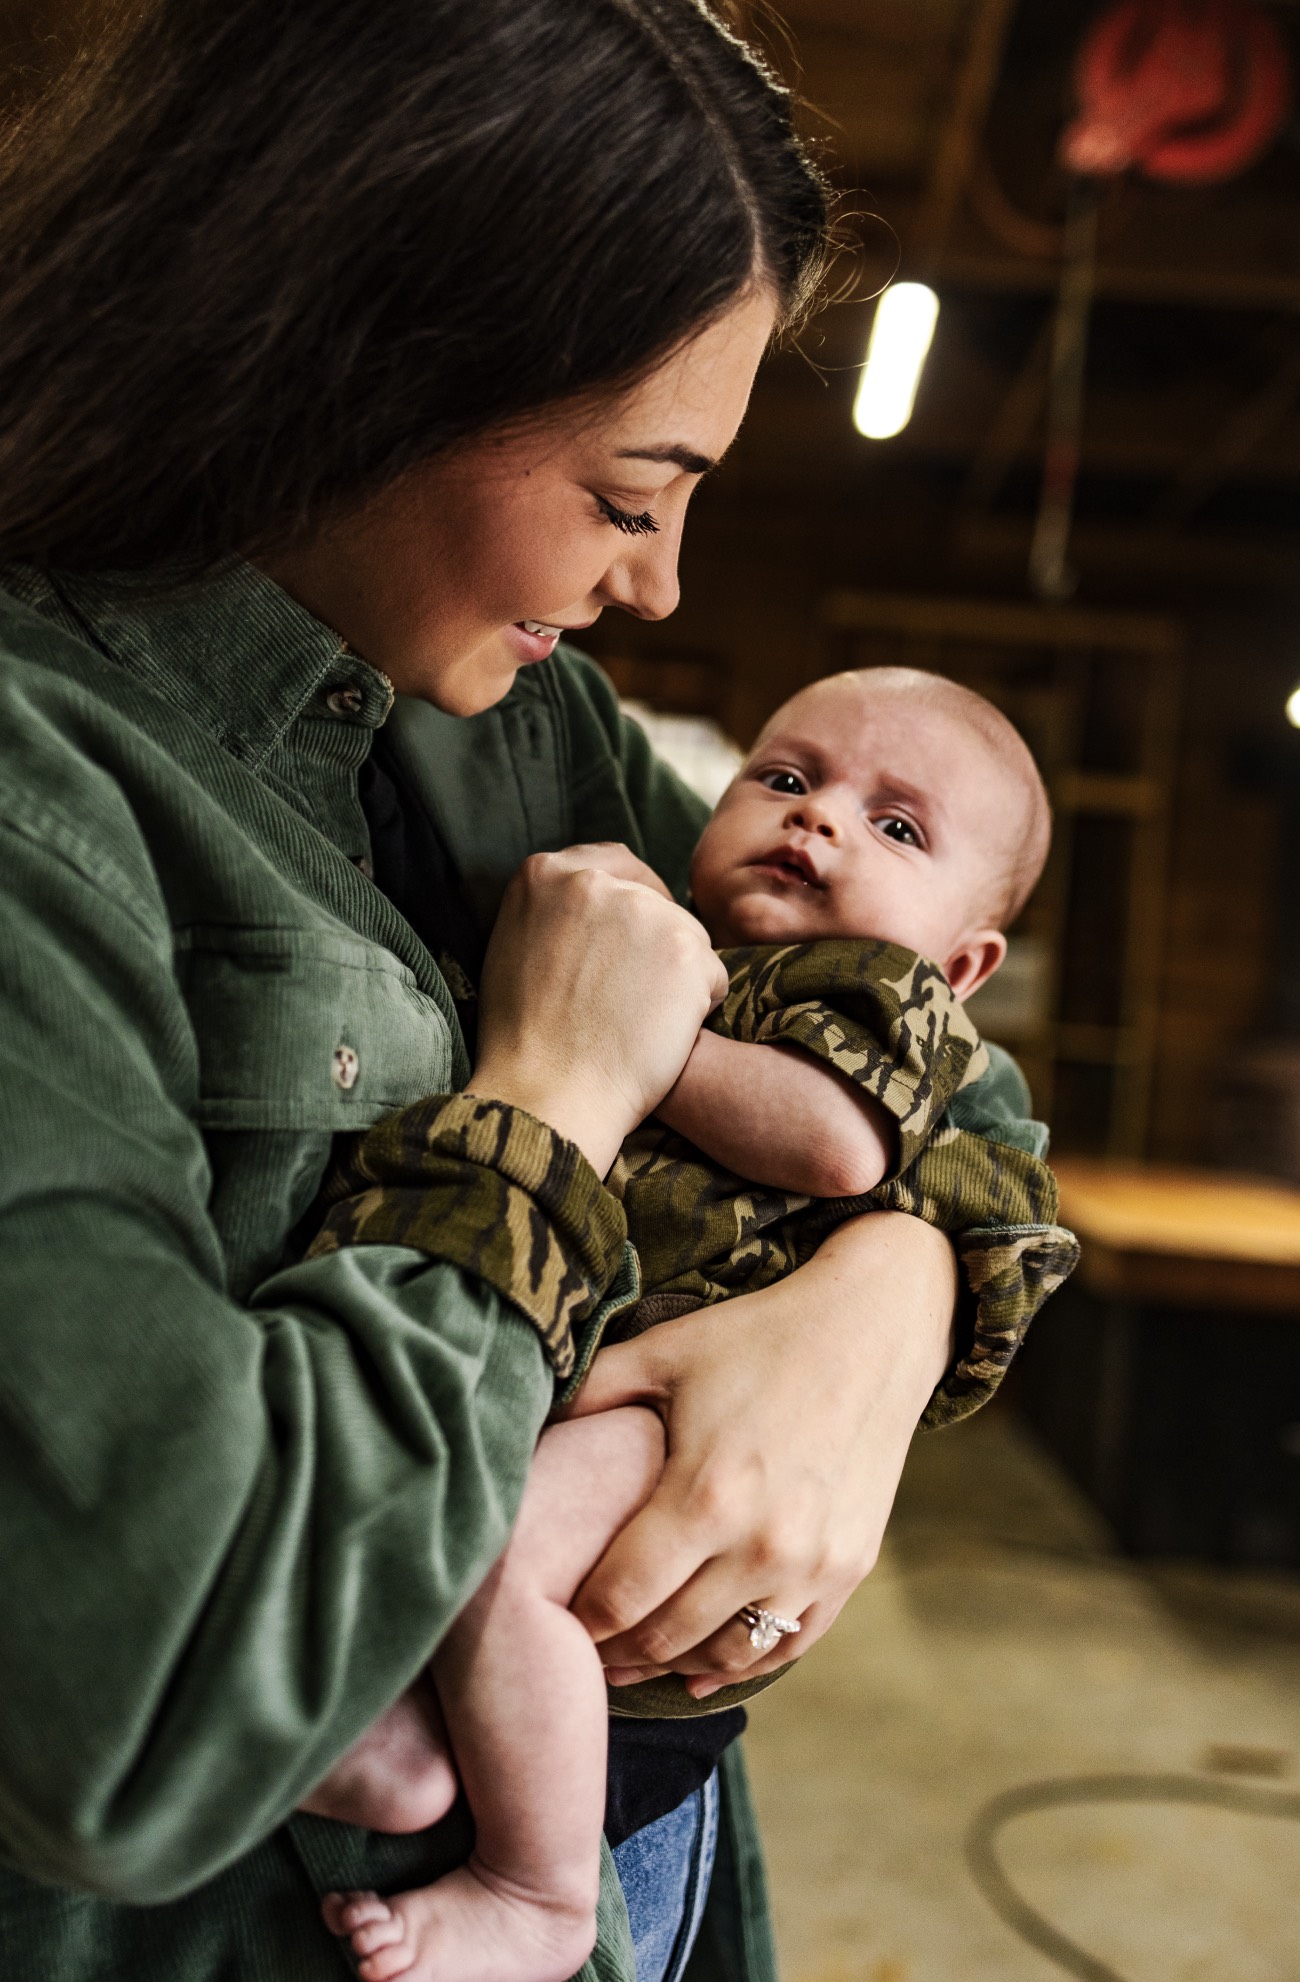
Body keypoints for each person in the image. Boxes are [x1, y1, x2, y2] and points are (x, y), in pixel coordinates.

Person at [0, 7, 1058, 1981]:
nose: (654, 585)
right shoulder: (43, 786)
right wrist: (548, 1101)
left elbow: (928, 1063)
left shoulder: (511, 720)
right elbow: (134, 1712)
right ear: (370, 372)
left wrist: (874, 1318)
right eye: (631, 487)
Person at [307, 667, 1078, 1982]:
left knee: (494, 1558)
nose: (821, 818)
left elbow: (839, 1141)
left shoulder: (876, 995)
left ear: (965, 960)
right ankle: (423, 1741)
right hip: (599, 1353)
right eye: (785, 778)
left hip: (685, 1397)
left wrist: (640, 1043)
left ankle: (534, 1885)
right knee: (464, 1530)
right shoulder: (699, 934)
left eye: (897, 827)